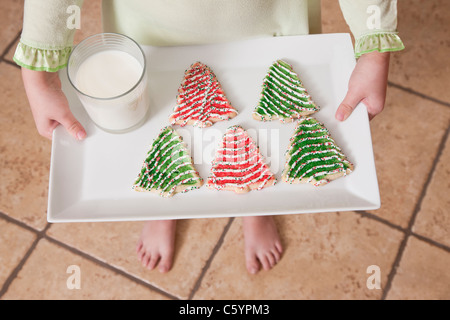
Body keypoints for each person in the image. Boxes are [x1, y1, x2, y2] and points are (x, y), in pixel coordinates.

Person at [14, 0, 404, 274]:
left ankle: (255, 201)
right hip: (148, 29)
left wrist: (375, 41)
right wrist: (39, 68)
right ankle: (165, 202)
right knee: (156, 124)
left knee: (265, 150)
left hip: (272, 23)